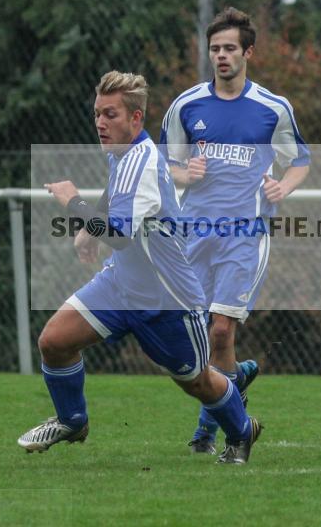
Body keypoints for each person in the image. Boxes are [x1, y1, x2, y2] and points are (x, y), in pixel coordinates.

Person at [18, 71, 264, 465]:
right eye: (97, 113)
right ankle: (73, 420)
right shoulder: (124, 154)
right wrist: (88, 231)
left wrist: (72, 204)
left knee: (198, 381)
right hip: (120, 285)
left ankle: (242, 430)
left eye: (111, 114)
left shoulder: (144, 161)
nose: (100, 122)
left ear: (135, 119)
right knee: (54, 341)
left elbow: (118, 233)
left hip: (168, 300)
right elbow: (118, 196)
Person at [159, 7, 310, 453]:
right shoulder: (185, 106)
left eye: (229, 48)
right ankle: (235, 382)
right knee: (195, 338)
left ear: (248, 52)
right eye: (214, 49)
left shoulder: (272, 108)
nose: (221, 56)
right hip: (193, 232)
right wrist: (187, 174)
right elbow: (166, 166)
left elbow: (300, 159)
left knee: (221, 330)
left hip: (246, 232)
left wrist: (283, 186)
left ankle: (224, 432)